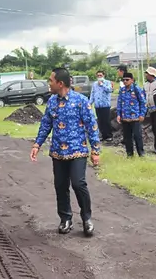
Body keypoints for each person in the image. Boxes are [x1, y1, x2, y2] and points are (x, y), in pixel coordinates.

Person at [31, 67, 100, 236]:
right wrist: (36, 145)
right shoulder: (52, 102)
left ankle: (86, 219)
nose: (49, 83)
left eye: (51, 80)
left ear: (60, 83)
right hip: (58, 152)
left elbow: (92, 126)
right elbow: (46, 124)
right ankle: (65, 218)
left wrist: (95, 150)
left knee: (78, 184)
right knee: (60, 186)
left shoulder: (81, 101)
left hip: (78, 151)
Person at [116, 72, 147, 157]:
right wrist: (118, 114)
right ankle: (129, 154)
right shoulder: (122, 90)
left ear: (132, 80)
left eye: (127, 80)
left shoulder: (137, 89)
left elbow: (143, 103)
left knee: (137, 136)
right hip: (125, 118)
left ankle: (141, 153)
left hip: (135, 118)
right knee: (127, 137)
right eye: (123, 80)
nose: (125, 81)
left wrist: (142, 114)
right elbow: (119, 103)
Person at [89, 70, 114, 143]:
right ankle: (103, 136)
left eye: (101, 75)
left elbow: (110, 90)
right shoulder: (94, 84)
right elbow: (92, 94)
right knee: (100, 121)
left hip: (105, 105)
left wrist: (102, 84)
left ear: (104, 76)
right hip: (97, 105)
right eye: (98, 76)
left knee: (106, 121)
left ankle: (109, 136)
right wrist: (90, 103)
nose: (99, 77)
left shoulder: (107, 83)